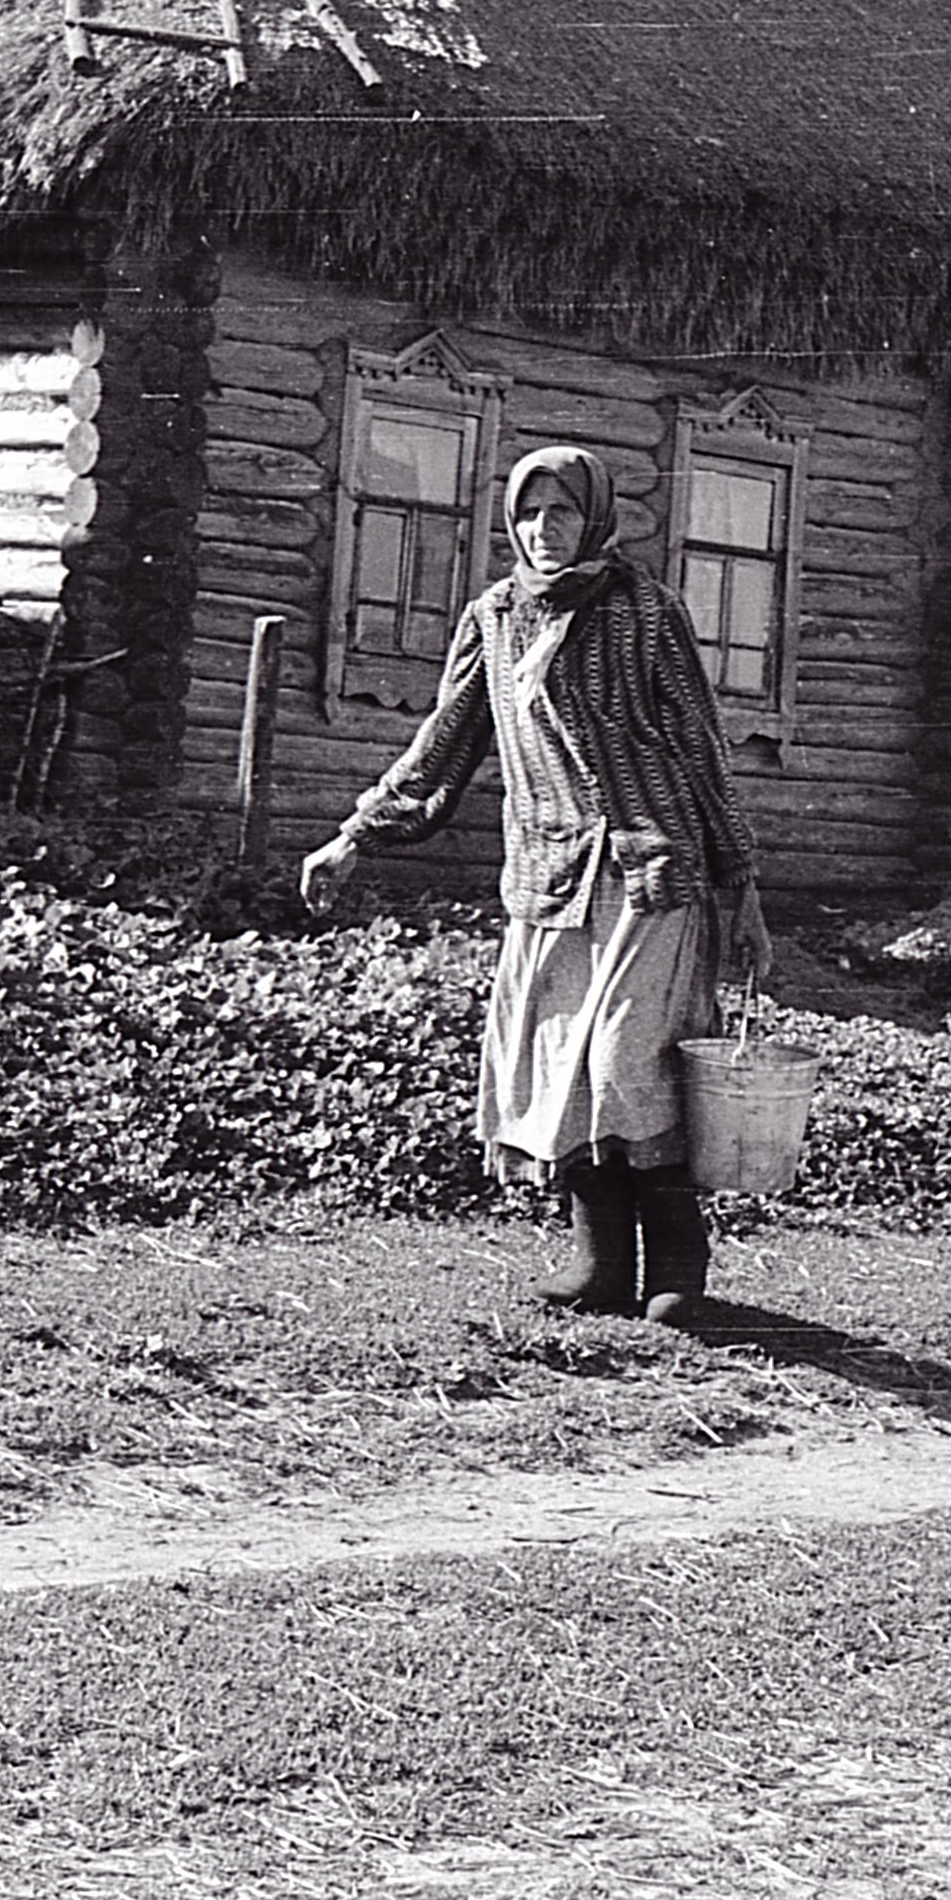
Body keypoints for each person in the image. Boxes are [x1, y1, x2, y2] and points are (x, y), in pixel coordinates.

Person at [300, 445, 771, 1325]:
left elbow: (703, 750)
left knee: (627, 1064)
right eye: (527, 513)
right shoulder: (497, 615)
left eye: (560, 512)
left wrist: (737, 878)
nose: (542, 530)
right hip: (550, 874)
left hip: (653, 866)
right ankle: (598, 1267)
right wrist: (354, 835)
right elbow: (444, 742)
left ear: (593, 518)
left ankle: (677, 1269)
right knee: (559, 1073)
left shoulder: (646, 611)